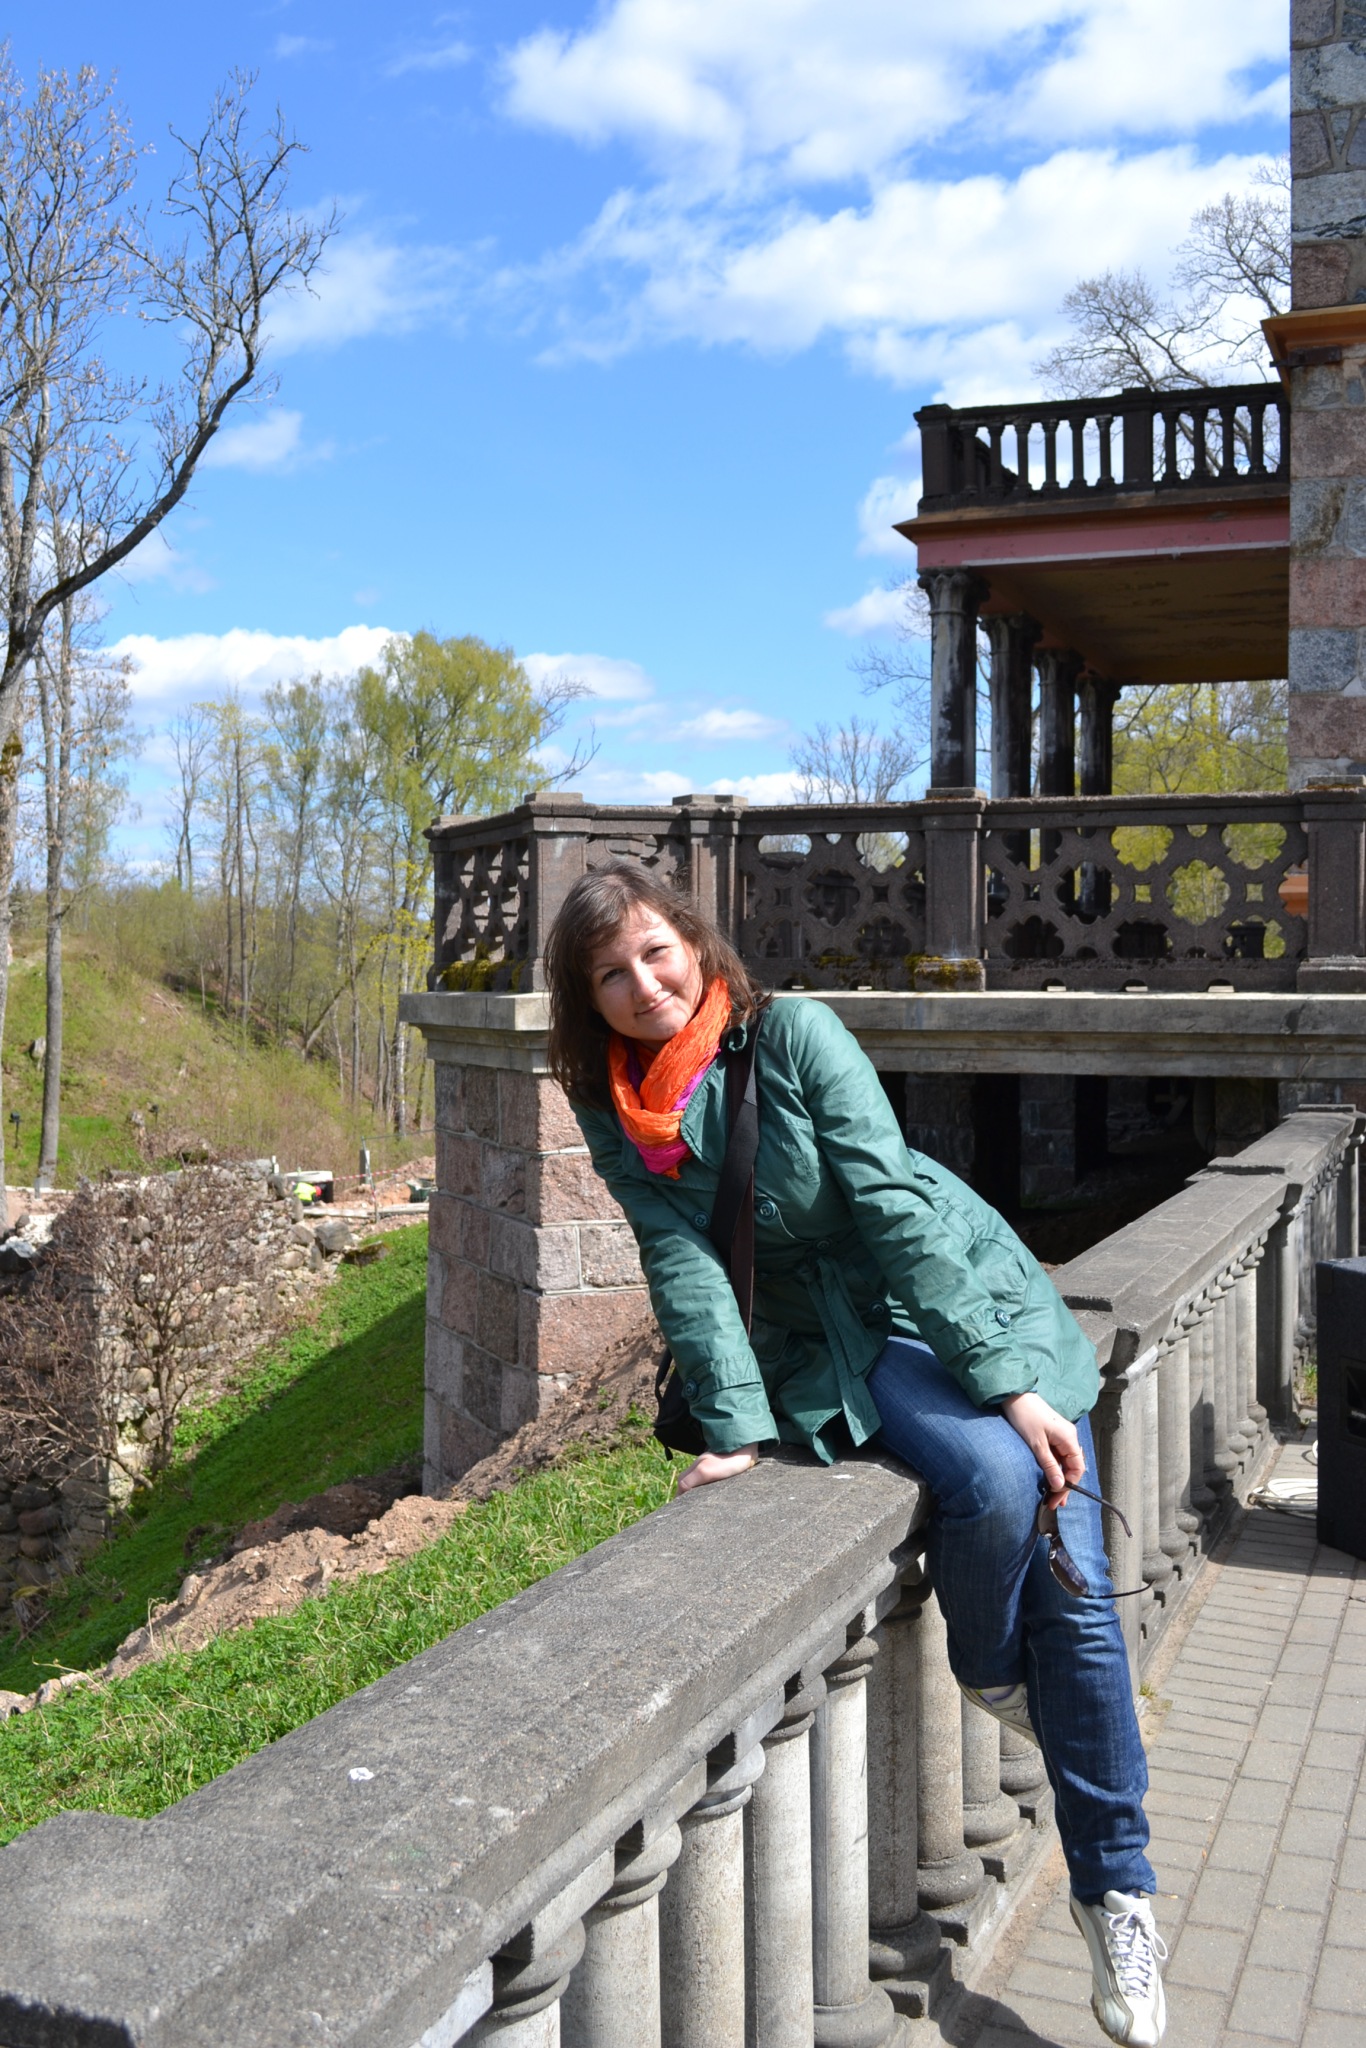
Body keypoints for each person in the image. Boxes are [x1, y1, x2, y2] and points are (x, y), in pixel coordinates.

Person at [545, 862, 1169, 2048]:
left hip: (952, 1285)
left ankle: (1117, 1891)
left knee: (1068, 1548)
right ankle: (991, 1669)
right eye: (609, 973)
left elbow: (888, 1206)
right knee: (993, 1480)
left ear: (696, 943)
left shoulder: (794, 1035)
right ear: (587, 997)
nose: (642, 985)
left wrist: (1005, 1377)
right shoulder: (611, 1101)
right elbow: (682, 1261)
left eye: (655, 952)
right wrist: (733, 1424)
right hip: (834, 1339)